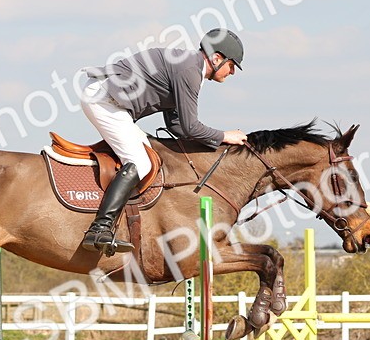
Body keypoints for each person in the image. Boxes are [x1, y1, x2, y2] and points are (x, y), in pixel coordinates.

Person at [77, 28, 248, 254]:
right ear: (217, 58)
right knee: (140, 162)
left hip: (111, 100)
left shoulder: (190, 67)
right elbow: (189, 126)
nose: (233, 72)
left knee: (151, 157)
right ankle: (100, 229)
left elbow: (176, 125)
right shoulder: (189, 71)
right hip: (103, 100)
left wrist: (217, 145)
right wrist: (225, 136)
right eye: (232, 65)